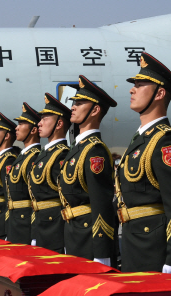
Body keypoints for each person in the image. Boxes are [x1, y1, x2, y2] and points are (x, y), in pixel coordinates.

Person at [116, 52, 171, 273]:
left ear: (160, 93)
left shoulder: (166, 140)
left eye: (140, 85)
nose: (132, 90)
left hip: (154, 247)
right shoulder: (141, 138)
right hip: (134, 242)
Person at [59, 75, 117, 264]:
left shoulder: (94, 150)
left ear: (95, 110)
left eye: (80, 102)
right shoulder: (78, 148)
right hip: (74, 234)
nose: (73, 106)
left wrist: (101, 253)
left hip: (89, 239)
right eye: (74, 102)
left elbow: (101, 204)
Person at [29, 93, 71, 253]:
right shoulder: (44, 154)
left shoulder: (62, 154)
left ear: (59, 123)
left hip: (56, 227)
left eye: (45, 119)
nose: (39, 124)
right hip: (41, 224)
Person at [6, 103, 42, 244]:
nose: (17, 127)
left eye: (21, 123)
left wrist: (34, 235)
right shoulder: (22, 156)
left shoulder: (34, 157)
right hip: (16, 224)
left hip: (26, 225)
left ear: (33, 130)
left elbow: (35, 198)